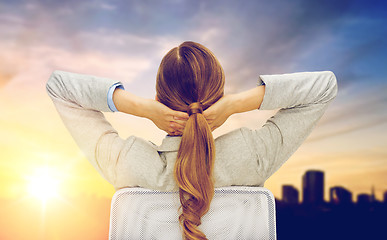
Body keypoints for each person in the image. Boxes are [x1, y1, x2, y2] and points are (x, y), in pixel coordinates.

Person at [46, 41, 338, 240]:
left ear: (160, 97)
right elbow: (324, 87)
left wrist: (141, 108)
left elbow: (59, 87)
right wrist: (236, 104)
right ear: (218, 97)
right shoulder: (251, 155)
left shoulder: (129, 162)